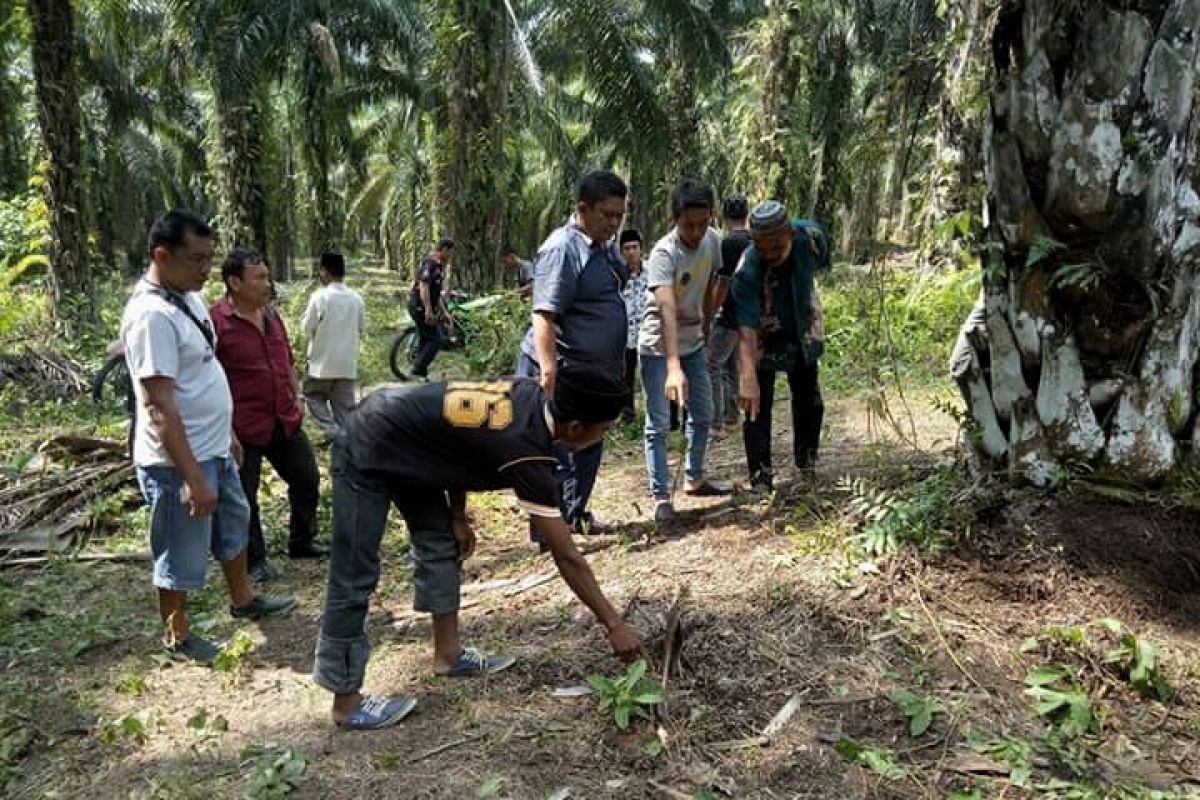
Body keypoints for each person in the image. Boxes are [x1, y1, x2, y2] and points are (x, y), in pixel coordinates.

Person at [313, 365, 644, 730]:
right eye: (605, 430)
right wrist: (613, 623)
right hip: (369, 442)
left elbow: (458, 438)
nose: (605, 437)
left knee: (440, 543)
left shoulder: (528, 395)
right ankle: (346, 701)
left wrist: (457, 515)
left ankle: (448, 655)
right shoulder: (528, 453)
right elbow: (566, 555)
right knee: (354, 572)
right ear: (577, 428)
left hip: (415, 446)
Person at [120, 210, 295, 665]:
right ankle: (176, 636)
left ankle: (243, 599)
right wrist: (191, 476)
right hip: (177, 461)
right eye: (195, 260)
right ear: (162, 255)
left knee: (233, 527)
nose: (204, 269)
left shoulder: (189, 301)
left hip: (215, 447)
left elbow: (204, 372)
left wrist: (229, 430)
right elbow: (158, 404)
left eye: (208, 258)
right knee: (179, 548)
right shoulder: (151, 316)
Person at [516, 170, 629, 535]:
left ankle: (576, 514)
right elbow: (544, 315)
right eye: (606, 215)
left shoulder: (600, 247)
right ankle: (553, 530)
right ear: (583, 209)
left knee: (589, 444)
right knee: (558, 452)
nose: (614, 224)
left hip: (592, 376)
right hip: (564, 373)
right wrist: (548, 373)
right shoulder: (562, 247)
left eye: (619, 216)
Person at [211, 249, 327, 585]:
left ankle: (302, 540)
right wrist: (225, 430)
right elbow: (209, 378)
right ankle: (254, 560)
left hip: (283, 418)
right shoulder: (216, 322)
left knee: (306, 477)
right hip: (242, 425)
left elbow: (286, 361)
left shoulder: (271, 316)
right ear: (234, 282)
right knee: (244, 497)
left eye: (266, 275)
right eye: (259, 277)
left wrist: (298, 396)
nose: (267, 283)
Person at [639, 180, 733, 523]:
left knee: (705, 412)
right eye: (688, 225)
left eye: (702, 223)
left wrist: (707, 326)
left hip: (693, 343)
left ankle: (694, 478)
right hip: (658, 348)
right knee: (660, 422)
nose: (695, 232)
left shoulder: (712, 241)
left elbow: (710, 284)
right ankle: (661, 495)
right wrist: (673, 365)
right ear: (674, 219)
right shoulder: (664, 254)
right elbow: (664, 308)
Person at [732, 201, 830, 491]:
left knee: (809, 400)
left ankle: (807, 463)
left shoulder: (811, 239)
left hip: (802, 327)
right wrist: (747, 378)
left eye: (777, 247)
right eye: (763, 248)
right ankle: (761, 478)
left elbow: (822, 262)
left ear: (788, 233)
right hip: (764, 335)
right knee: (755, 406)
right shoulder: (748, 268)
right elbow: (746, 328)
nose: (770, 255)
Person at [301, 252, 366, 440]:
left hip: (321, 364)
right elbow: (361, 327)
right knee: (345, 410)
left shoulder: (320, 297)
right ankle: (347, 442)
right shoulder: (356, 298)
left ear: (324, 272)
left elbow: (307, 327)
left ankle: (333, 432)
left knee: (312, 396)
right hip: (346, 364)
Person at [709, 194, 752, 435]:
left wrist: (711, 312)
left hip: (728, 314)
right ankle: (732, 417)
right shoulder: (752, 241)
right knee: (730, 366)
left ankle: (716, 423)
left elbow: (722, 283)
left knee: (713, 365)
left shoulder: (727, 244)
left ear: (724, 216)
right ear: (746, 214)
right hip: (745, 314)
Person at [408, 238, 455, 379]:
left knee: (426, 337)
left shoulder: (439, 266)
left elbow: (436, 294)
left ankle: (421, 372)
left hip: (425, 307)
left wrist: (444, 312)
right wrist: (428, 309)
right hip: (419, 307)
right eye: (450, 253)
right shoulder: (431, 263)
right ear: (444, 250)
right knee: (437, 340)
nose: (450, 257)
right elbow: (424, 286)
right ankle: (418, 368)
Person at [619, 229, 648, 419]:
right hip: (626, 335)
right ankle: (627, 414)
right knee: (625, 377)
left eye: (634, 247)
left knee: (654, 377)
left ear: (641, 249)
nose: (631, 252)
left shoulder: (652, 272)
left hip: (649, 333)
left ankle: (667, 417)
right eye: (627, 248)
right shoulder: (618, 276)